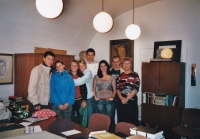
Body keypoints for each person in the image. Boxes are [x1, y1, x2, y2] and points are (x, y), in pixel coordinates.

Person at [116, 57, 140, 126]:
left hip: (131, 101)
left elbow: (136, 89)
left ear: (131, 65)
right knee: (122, 121)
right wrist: (121, 98)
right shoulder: (120, 76)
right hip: (121, 101)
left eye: (128, 63)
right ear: (122, 65)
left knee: (132, 122)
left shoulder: (135, 75)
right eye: (124, 63)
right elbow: (117, 89)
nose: (126, 65)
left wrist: (126, 99)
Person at [73, 60, 94, 124]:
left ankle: (90, 133)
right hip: (82, 98)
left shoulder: (88, 73)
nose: (81, 67)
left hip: (89, 98)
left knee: (89, 118)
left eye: (83, 65)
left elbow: (78, 82)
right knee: (83, 118)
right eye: (80, 66)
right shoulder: (80, 73)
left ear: (86, 65)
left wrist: (67, 79)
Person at [68, 60, 87, 125]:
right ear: (70, 66)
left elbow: (84, 89)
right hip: (70, 101)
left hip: (79, 100)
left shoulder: (81, 76)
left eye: (76, 65)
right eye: (72, 65)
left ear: (78, 67)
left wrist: (84, 100)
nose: (74, 67)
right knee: (71, 119)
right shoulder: (67, 76)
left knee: (80, 119)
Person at [110, 56, 124, 124]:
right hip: (111, 95)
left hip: (120, 96)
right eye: (114, 62)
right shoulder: (108, 72)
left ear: (120, 62)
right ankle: (111, 130)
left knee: (120, 114)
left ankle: (119, 129)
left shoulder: (123, 72)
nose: (116, 63)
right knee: (111, 114)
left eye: (117, 61)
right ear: (112, 63)